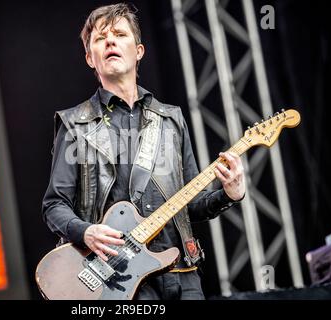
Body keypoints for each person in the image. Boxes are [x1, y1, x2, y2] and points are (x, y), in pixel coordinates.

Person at [42, 3, 246, 300]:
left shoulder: (170, 118)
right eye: (100, 38)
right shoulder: (74, 124)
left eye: (119, 34)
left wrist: (229, 194)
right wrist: (85, 231)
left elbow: (190, 204)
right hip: (117, 281)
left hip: (182, 274)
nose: (110, 41)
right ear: (90, 59)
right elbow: (53, 206)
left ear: (139, 51)